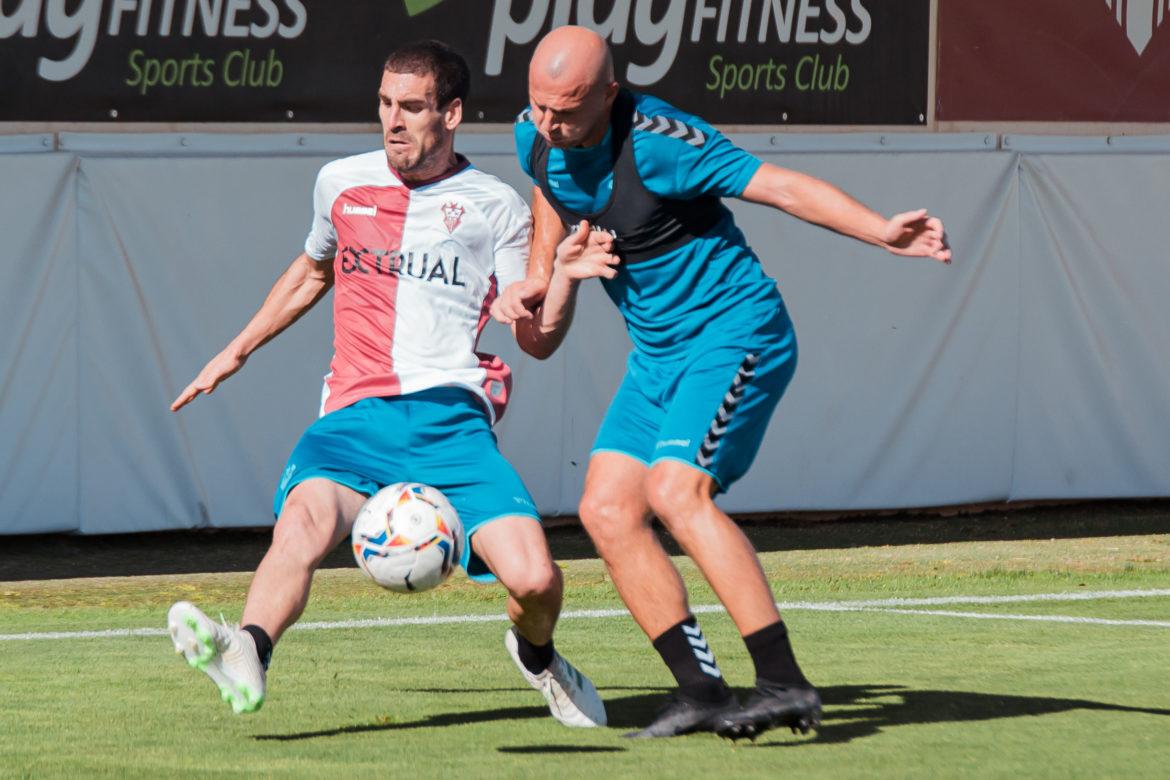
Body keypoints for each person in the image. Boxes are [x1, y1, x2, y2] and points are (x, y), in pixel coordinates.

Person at [497, 26, 950, 740]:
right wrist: (539, 271)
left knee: (676, 490)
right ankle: (701, 690)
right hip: (657, 358)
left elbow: (781, 187)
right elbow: (549, 193)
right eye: (540, 107)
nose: (552, 126)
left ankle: (783, 682)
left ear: (609, 94)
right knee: (606, 510)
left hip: (736, 336)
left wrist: (881, 232)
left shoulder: (660, 141)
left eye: (570, 111)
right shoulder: (536, 135)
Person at [165, 39, 605, 729]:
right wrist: (236, 351)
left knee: (537, 581)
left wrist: (564, 287)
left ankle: (537, 655)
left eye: (411, 106)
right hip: (353, 416)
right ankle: (246, 648)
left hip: (451, 424)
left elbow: (536, 338)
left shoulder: (495, 207)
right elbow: (314, 269)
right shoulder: (340, 182)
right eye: (384, 104)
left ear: (452, 113)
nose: (392, 120)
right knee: (301, 527)